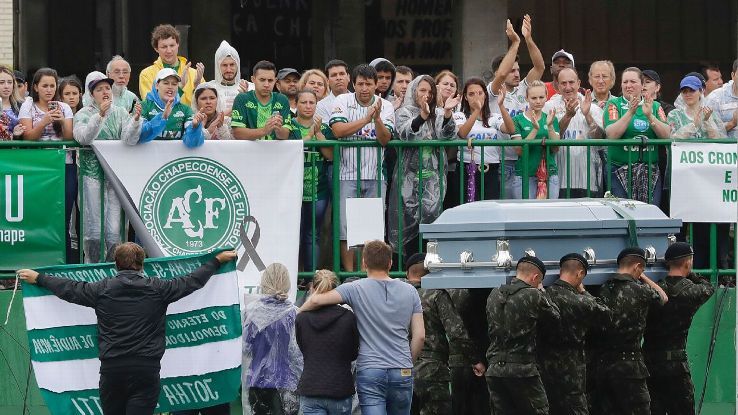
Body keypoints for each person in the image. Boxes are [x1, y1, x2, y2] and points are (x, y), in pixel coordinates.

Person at [17, 244, 238, 414]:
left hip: (112, 371)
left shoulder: (101, 289)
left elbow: (69, 289)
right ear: (143, 264)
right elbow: (192, 281)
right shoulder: (159, 289)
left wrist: (39, 278)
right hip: (145, 370)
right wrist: (216, 261)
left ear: (116, 264)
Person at [301, 240, 425, 415]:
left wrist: (299, 313)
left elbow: (315, 300)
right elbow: (420, 336)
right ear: (390, 263)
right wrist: (406, 363)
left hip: (371, 370)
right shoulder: (410, 291)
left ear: (364, 263)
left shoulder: (355, 289)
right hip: (402, 368)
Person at [329, 65, 394, 272]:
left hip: (375, 174)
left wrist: (376, 120)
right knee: (345, 229)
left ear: (376, 85)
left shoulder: (386, 105)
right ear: (353, 84)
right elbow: (338, 131)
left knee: (372, 229)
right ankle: (349, 274)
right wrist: (365, 119)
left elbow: (385, 139)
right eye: (360, 84)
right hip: (346, 174)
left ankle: (370, 272)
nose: (364, 88)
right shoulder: (342, 101)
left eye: (368, 84)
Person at [388, 75, 459, 260]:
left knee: (431, 218)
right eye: (422, 90)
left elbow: (448, 135)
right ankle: (410, 267)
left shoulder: (437, 114)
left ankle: (430, 264)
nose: (427, 95)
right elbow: (405, 134)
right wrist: (422, 117)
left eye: (430, 91)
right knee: (409, 219)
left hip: (433, 177)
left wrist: (448, 114)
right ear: (414, 91)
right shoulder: (404, 112)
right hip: (408, 177)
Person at [74, 71, 142, 263]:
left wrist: (136, 121)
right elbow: (83, 138)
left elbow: (129, 139)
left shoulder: (120, 112)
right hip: (91, 176)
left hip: (115, 177)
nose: (105, 92)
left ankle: (115, 266)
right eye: (99, 89)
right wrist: (100, 116)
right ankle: (93, 268)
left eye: (107, 88)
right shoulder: (83, 114)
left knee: (115, 229)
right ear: (91, 93)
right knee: (93, 228)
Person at [405, 253, 485, 415]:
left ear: (408, 273)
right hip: (432, 369)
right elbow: (456, 332)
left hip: (400, 367)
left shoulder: (395, 294)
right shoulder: (435, 294)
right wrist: (475, 360)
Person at [591, 247, 668, 415]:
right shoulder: (641, 290)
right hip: (630, 366)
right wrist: (644, 277)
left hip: (603, 365)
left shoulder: (604, 288)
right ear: (637, 267)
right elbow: (663, 297)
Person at [643, 242, 715, 415]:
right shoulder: (693, 292)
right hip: (676, 366)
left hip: (650, 364)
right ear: (687, 263)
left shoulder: (652, 291)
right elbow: (708, 286)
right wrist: (691, 273)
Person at [485, 255, 560, 414]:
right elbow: (555, 318)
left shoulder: (494, 294)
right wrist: (542, 291)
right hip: (522, 370)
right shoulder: (533, 294)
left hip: (494, 370)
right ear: (535, 277)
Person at [537, 253, 611, 415]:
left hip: (544, 367)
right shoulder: (581, 301)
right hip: (572, 368)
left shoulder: (543, 297)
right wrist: (584, 291)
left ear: (560, 271)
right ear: (580, 274)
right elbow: (606, 316)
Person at [19, 68, 76, 262]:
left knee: (64, 218)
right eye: (44, 85)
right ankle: (38, 261)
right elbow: (27, 138)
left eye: (52, 85)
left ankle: (65, 262)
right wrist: (43, 122)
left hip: (64, 165)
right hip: (39, 168)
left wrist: (62, 121)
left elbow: (70, 138)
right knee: (40, 216)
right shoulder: (28, 106)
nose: (49, 89)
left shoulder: (64, 107)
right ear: (35, 87)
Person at [488, 16, 545, 199]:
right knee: (507, 209)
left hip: (526, 157)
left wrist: (528, 40)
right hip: (504, 161)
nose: (517, 73)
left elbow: (539, 66)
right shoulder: (492, 91)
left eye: (518, 69)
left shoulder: (524, 88)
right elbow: (503, 72)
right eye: (512, 70)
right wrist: (515, 42)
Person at [242, 263, 304, 415]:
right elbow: (299, 352)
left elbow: (245, 348)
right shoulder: (295, 313)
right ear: (288, 284)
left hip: (257, 381)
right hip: (288, 382)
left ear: (263, 282)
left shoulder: (250, 312)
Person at [603, 67, 671, 205]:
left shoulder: (655, 106)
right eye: (625, 82)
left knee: (650, 215)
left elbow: (666, 135)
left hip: (650, 171)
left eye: (633, 81)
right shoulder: (613, 104)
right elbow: (612, 135)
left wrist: (649, 116)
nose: (628, 85)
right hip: (618, 169)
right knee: (624, 215)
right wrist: (630, 113)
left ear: (642, 85)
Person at [296, 270, 359, 415]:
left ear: (312, 288)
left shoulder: (301, 318)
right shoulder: (348, 318)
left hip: (311, 387)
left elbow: (303, 348)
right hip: (340, 388)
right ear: (336, 291)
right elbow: (353, 353)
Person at [544, 67, 605, 198]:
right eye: (563, 83)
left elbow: (600, 138)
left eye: (571, 82)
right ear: (557, 86)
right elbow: (549, 138)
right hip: (558, 180)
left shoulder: (593, 108)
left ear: (578, 83)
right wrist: (568, 116)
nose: (568, 87)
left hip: (588, 179)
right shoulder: (549, 107)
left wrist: (587, 115)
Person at [290, 89, 333, 271]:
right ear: (296, 104)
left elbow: (331, 155)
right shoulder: (289, 127)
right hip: (293, 190)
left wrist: (319, 135)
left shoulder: (324, 128)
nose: (308, 106)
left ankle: (310, 277)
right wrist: (309, 135)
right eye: (303, 102)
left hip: (318, 189)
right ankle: (293, 275)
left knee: (312, 234)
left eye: (311, 103)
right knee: (292, 234)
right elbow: (291, 150)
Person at [453, 77, 515, 203]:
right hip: (467, 168)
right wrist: (476, 111)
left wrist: (501, 106)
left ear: (485, 96)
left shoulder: (493, 117)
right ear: (465, 97)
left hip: (490, 168)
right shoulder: (459, 115)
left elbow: (510, 129)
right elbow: (462, 133)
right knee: (467, 208)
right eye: (471, 94)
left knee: (490, 208)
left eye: (480, 93)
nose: (476, 97)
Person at [511, 80, 561, 199]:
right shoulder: (517, 119)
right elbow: (519, 150)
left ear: (546, 97)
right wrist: (534, 130)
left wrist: (549, 127)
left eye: (541, 97)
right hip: (524, 174)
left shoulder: (551, 118)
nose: (538, 101)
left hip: (549, 174)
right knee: (525, 215)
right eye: (534, 98)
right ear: (527, 98)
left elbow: (555, 148)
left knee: (549, 216)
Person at [139, 24, 203, 106]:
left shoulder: (194, 73)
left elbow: (204, 106)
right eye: (164, 47)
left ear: (178, 44)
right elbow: (151, 106)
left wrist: (197, 85)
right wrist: (180, 87)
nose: (169, 51)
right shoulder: (146, 74)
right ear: (156, 49)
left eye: (172, 45)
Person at [140, 68, 205, 147]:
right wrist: (162, 118)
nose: (170, 87)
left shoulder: (185, 109)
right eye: (166, 83)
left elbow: (191, 144)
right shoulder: (144, 106)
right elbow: (141, 136)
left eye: (174, 84)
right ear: (156, 85)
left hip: (176, 159)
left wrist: (195, 127)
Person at [231, 60, 292, 140]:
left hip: (274, 152)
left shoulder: (282, 99)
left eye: (270, 80)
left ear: (275, 81)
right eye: (262, 80)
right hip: (249, 151)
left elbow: (285, 136)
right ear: (253, 79)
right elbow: (237, 133)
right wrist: (264, 130)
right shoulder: (242, 99)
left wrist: (278, 129)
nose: (266, 84)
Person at [213, 40, 251, 114]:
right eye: (224, 65)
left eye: (232, 64)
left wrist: (248, 98)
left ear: (237, 65)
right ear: (218, 66)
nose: (228, 70)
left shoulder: (251, 88)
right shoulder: (210, 89)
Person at [705, 58, 738, 139]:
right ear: (733, 76)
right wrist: (732, 123)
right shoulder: (716, 98)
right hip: (726, 150)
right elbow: (707, 133)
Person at [0, 65, 24, 140]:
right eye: (1, 82)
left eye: (10, 82)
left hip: (14, 150)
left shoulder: (21, 105)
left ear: (14, 85)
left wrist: (16, 135)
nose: (6, 86)